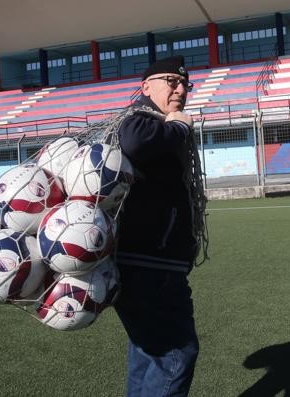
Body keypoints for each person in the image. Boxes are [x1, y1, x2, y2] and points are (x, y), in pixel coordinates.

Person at [112, 55, 209, 397]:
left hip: (148, 264)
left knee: (147, 353)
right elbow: (135, 139)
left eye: (185, 83)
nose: (180, 89)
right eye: (171, 81)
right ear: (146, 87)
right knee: (176, 355)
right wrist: (179, 125)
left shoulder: (159, 123)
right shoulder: (139, 119)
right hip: (149, 266)